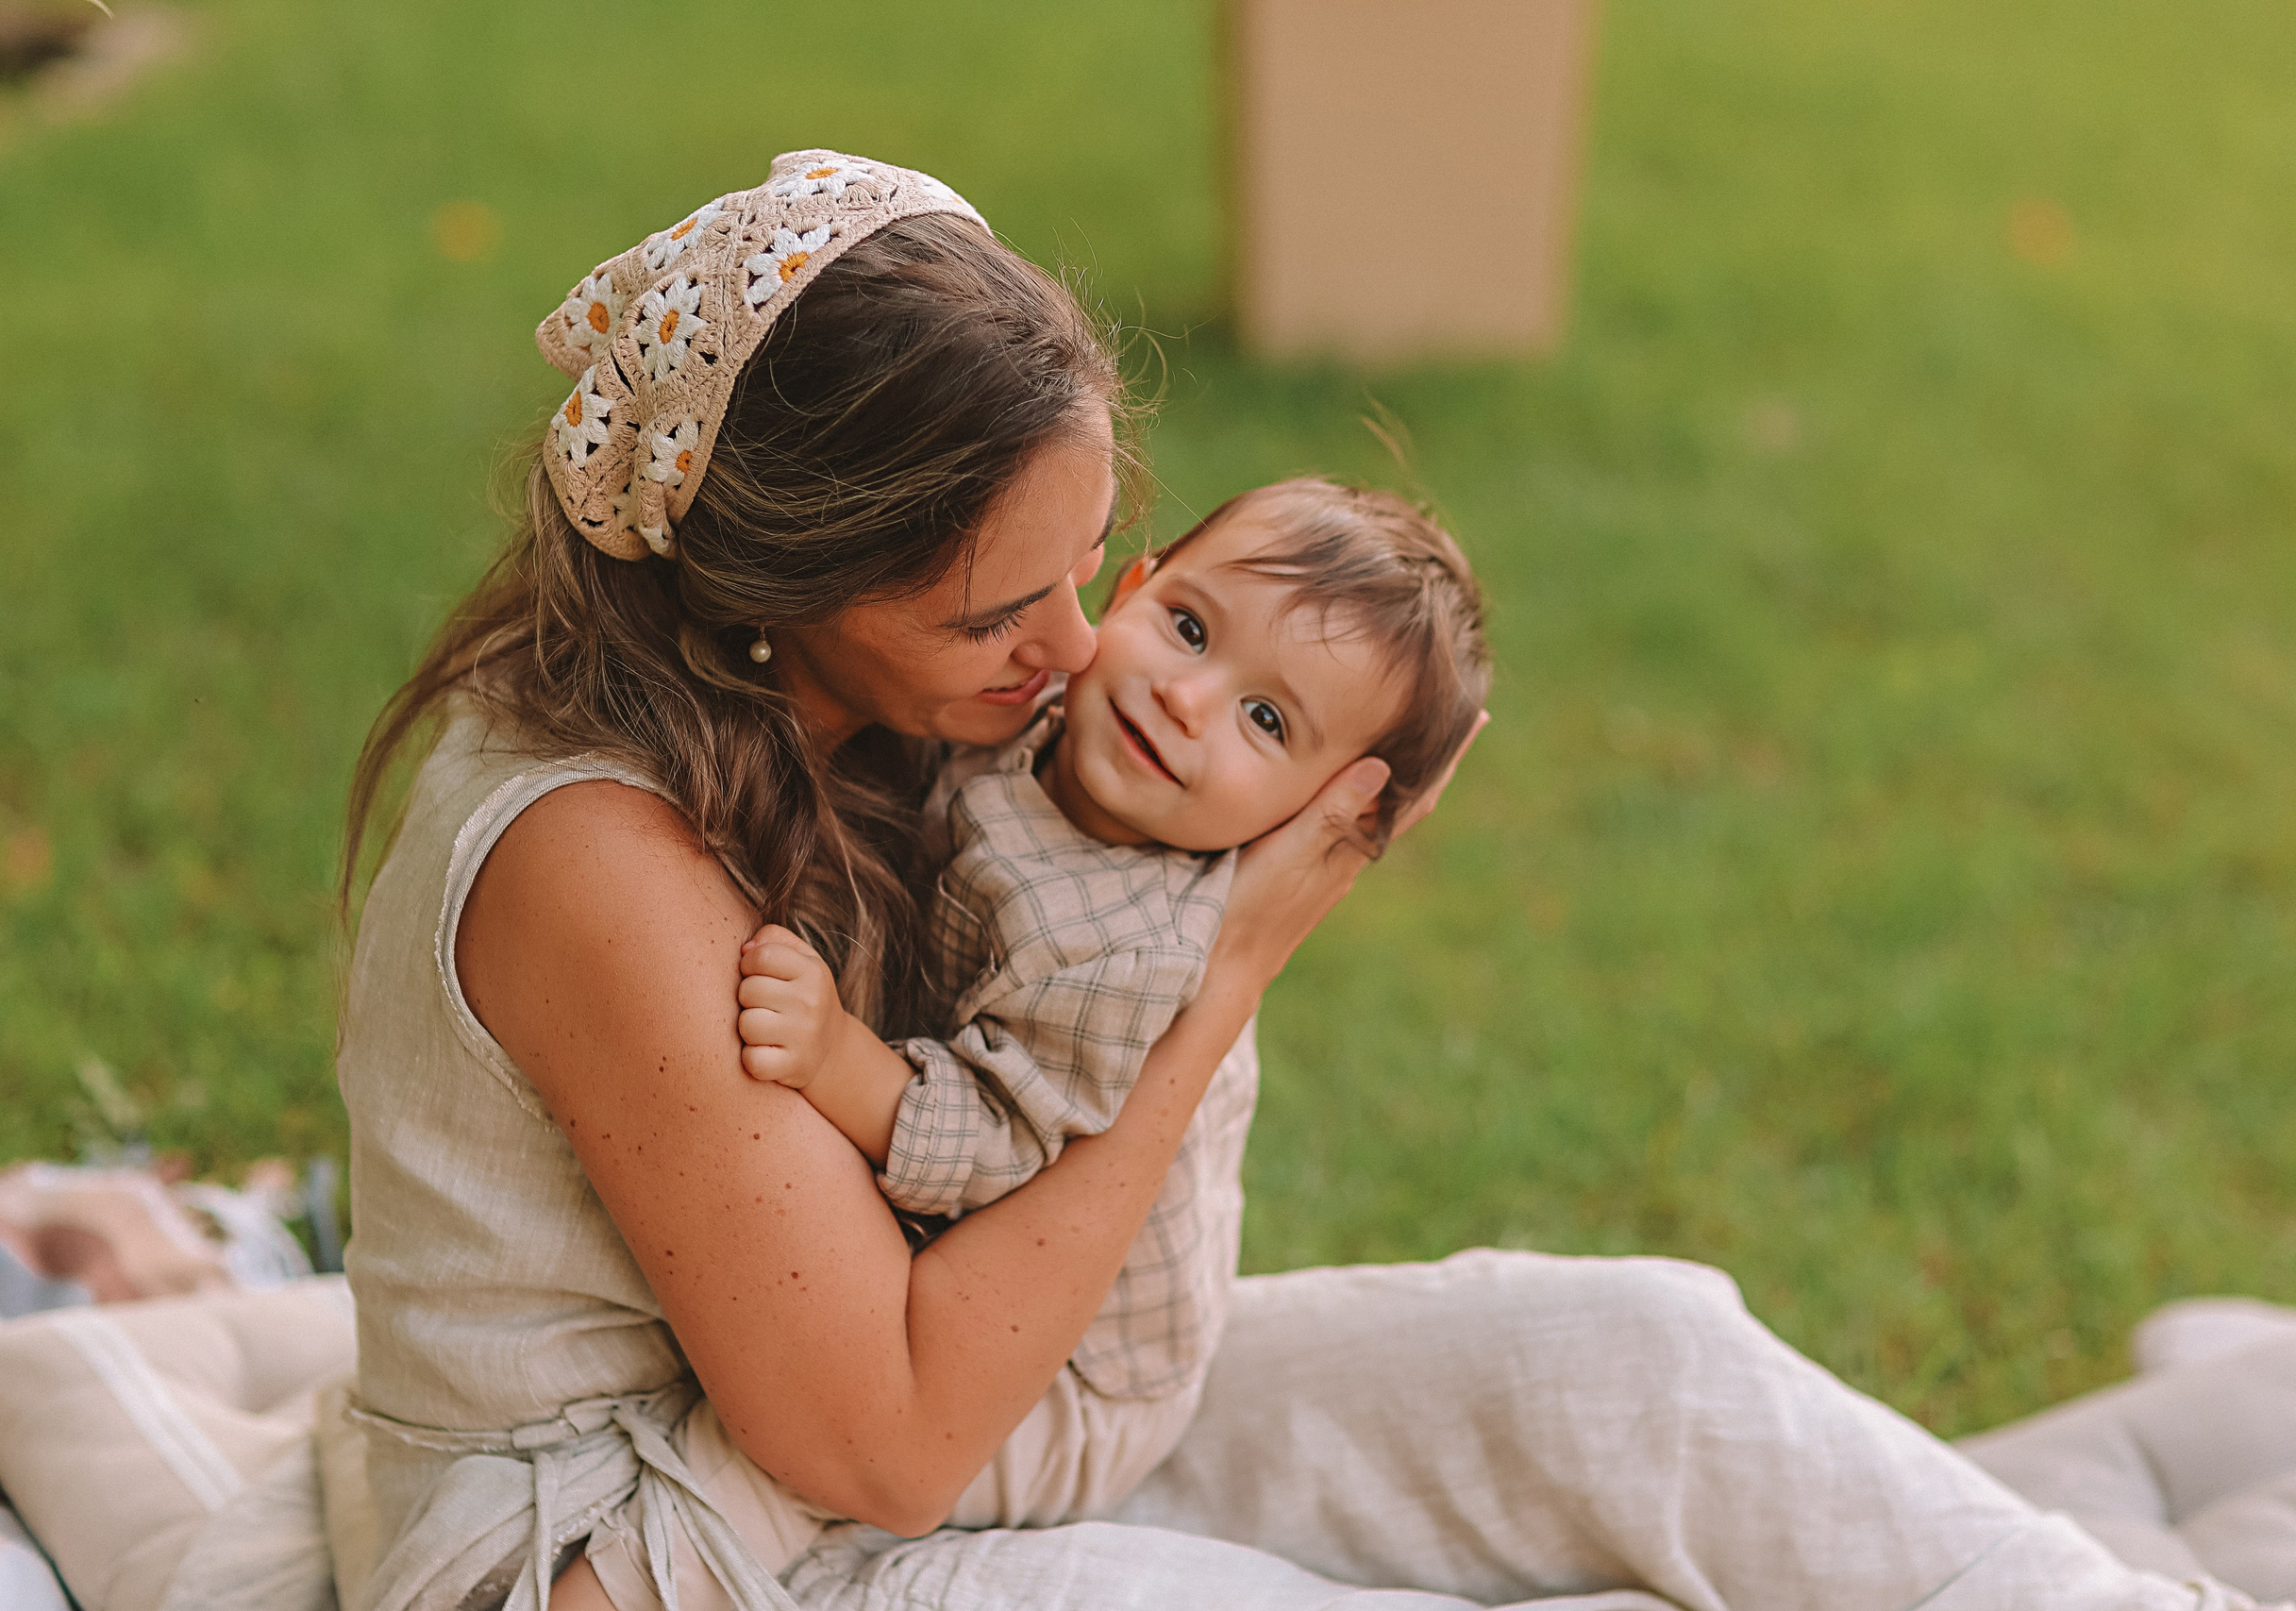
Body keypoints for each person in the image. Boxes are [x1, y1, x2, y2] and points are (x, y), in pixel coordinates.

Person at [332, 149, 2276, 1611]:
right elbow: (892, 1438)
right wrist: (1228, 973)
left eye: (1096, 572)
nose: (1078, 653)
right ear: (774, 588)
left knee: (1625, 1356)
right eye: (997, 611)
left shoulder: (881, 703)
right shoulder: (599, 856)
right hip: (649, 1545)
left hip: (950, 1380)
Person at [730, 478, 1487, 1518]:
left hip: (1071, 1382)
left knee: (749, 1468)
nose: (1187, 695)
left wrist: (835, 1060)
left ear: (1312, 813)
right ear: (1130, 587)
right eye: (1187, 627)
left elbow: (997, 1139)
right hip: (973, 1296)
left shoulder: (1132, 950)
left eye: (1263, 719)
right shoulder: (1045, 716)